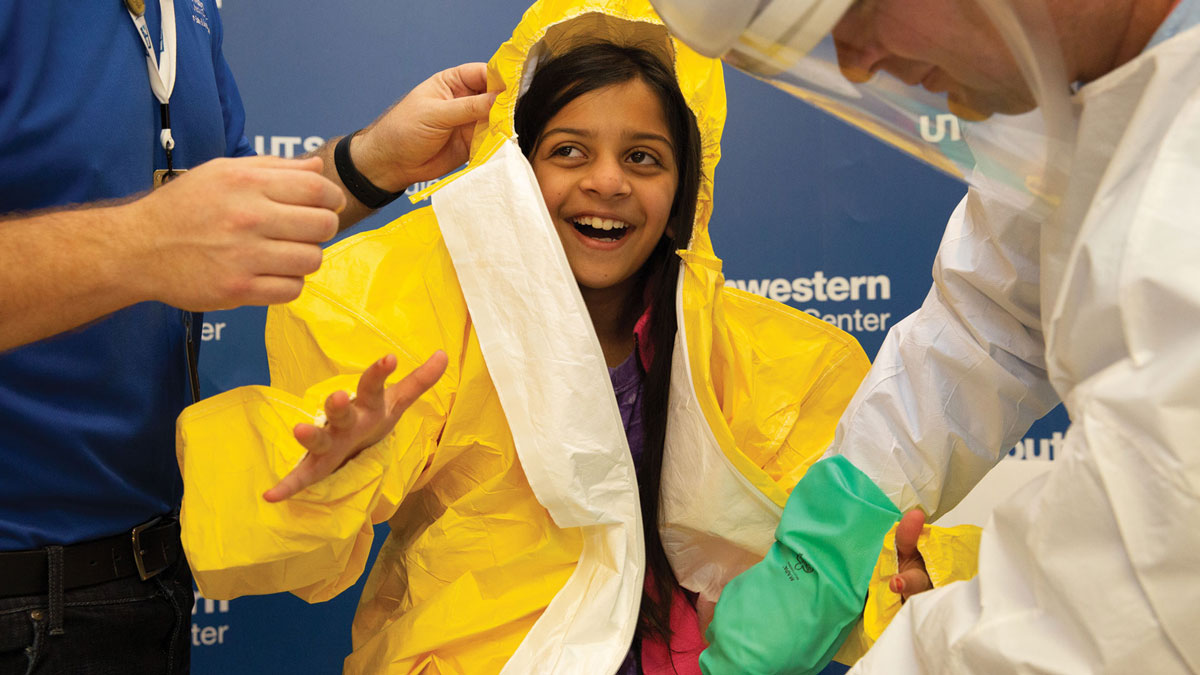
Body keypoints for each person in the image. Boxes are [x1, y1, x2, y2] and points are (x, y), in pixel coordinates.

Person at [172, 0, 979, 672]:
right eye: (568, 151)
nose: (607, 181)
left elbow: (833, 556)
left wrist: (904, 579)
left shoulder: (761, 363)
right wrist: (332, 469)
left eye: (644, 157)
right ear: (516, 170)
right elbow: (278, 540)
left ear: (685, 186)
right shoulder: (430, 317)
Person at [647, 0, 1200, 672]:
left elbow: (1122, 606)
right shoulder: (1093, 92)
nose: (857, 62)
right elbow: (991, 316)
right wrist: (825, 547)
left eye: (865, 8)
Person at [0, 1, 492, 672]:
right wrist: (142, 242)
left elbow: (233, 219)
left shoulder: (189, 13)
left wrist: (372, 159)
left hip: (142, 580)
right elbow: (167, 233)